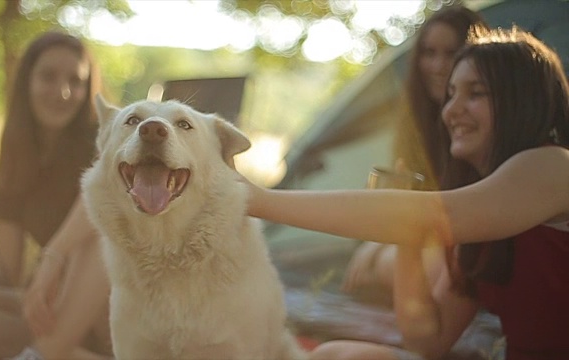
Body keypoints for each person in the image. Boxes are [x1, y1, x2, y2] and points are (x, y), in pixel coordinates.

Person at [242, 26, 569, 359]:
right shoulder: (485, 219)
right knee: (337, 353)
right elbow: (428, 340)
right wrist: (407, 241)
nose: (451, 111)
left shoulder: (553, 165)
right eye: (451, 94)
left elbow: (438, 216)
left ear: (522, 101)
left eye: (476, 93)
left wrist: (259, 200)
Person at [0, 31, 112, 360]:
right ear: (26, 80)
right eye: (48, 77)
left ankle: (48, 352)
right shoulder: (17, 149)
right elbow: (9, 272)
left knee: (105, 236)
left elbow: (103, 200)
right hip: (56, 308)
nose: (63, 92)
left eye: (76, 80)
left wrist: (53, 256)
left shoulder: (107, 140)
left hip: (114, 309)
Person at [342, 5, 488, 300]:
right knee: (379, 263)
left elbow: (461, 214)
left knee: (399, 266)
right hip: (424, 243)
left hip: (465, 245)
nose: (437, 65)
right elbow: (400, 202)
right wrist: (376, 242)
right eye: (428, 53)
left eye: (451, 53)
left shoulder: (484, 126)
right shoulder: (419, 124)